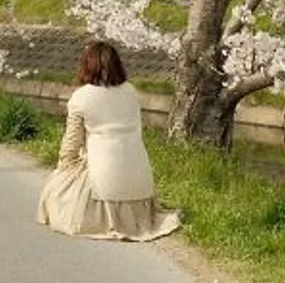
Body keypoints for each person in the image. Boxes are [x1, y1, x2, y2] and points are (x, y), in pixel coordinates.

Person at [37, 41, 182, 242]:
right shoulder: (130, 91)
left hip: (104, 181)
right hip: (140, 178)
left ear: (86, 65)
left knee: (56, 192)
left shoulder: (81, 97)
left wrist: (62, 172)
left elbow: (71, 145)